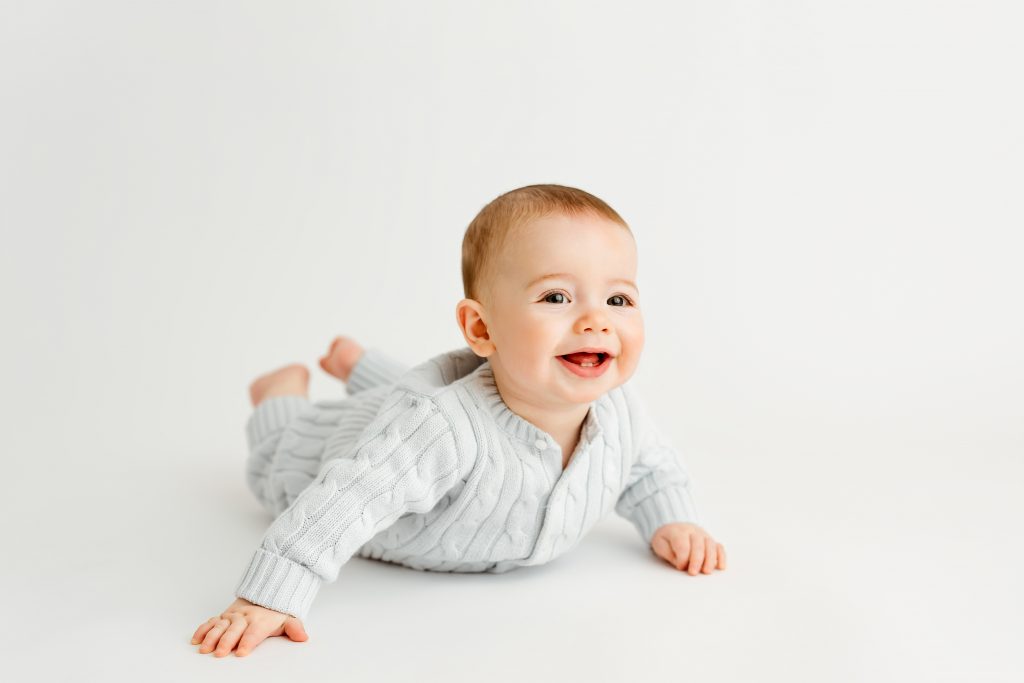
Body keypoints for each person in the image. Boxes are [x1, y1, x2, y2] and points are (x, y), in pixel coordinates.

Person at [191, 183, 727, 658]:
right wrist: (270, 595)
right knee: (275, 461)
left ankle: (361, 366)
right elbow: (349, 498)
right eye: (556, 296)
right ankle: (280, 391)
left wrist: (672, 518)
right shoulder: (440, 428)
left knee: (431, 393)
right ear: (481, 329)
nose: (596, 320)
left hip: (425, 407)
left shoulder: (620, 409)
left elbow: (650, 468)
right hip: (331, 450)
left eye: (618, 298)